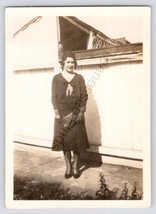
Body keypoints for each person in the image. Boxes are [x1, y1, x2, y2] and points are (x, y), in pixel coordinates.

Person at [51, 51, 89, 179]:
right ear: (63, 63)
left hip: (76, 113)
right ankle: (68, 167)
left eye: (72, 62)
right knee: (65, 141)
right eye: (68, 62)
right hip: (62, 114)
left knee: (77, 141)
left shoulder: (79, 78)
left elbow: (84, 96)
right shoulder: (56, 78)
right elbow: (54, 97)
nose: (70, 64)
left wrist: (81, 111)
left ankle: (76, 167)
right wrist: (57, 112)